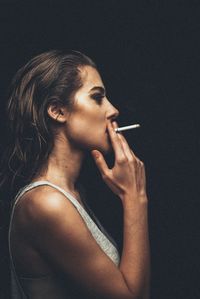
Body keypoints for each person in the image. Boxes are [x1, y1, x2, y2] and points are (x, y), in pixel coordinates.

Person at [1, 50, 150, 298]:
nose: (113, 110)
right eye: (97, 97)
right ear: (58, 111)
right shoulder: (46, 204)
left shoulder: (73, 194)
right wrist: (135, 197)